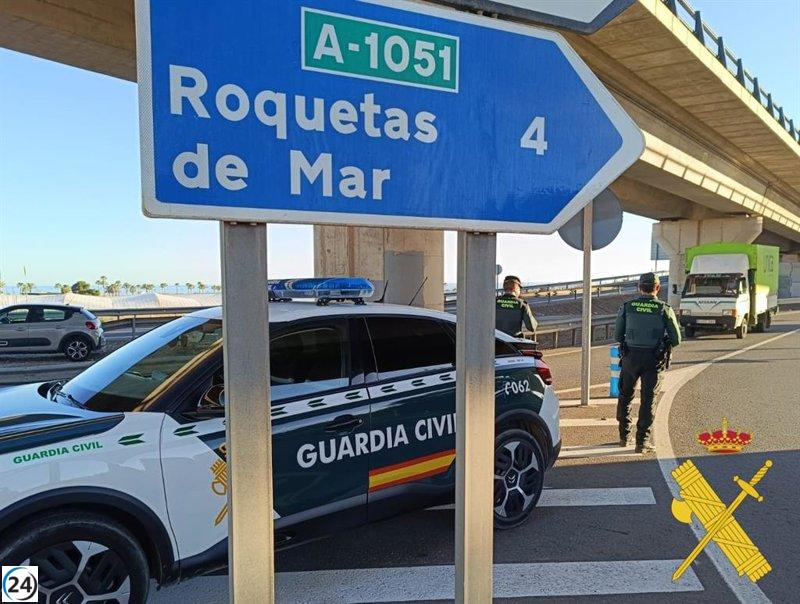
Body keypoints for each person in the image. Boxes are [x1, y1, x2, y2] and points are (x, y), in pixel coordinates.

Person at [615, 272, 681, 453]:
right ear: (657, 288)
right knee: (648, 400)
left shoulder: (627, 307)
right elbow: (676, 339)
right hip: (654, 359)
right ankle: (641, 443)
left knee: (625, 395)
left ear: (639, 287)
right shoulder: (664, 309)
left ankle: (623, 436)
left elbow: (617, 336)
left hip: (630, 358)